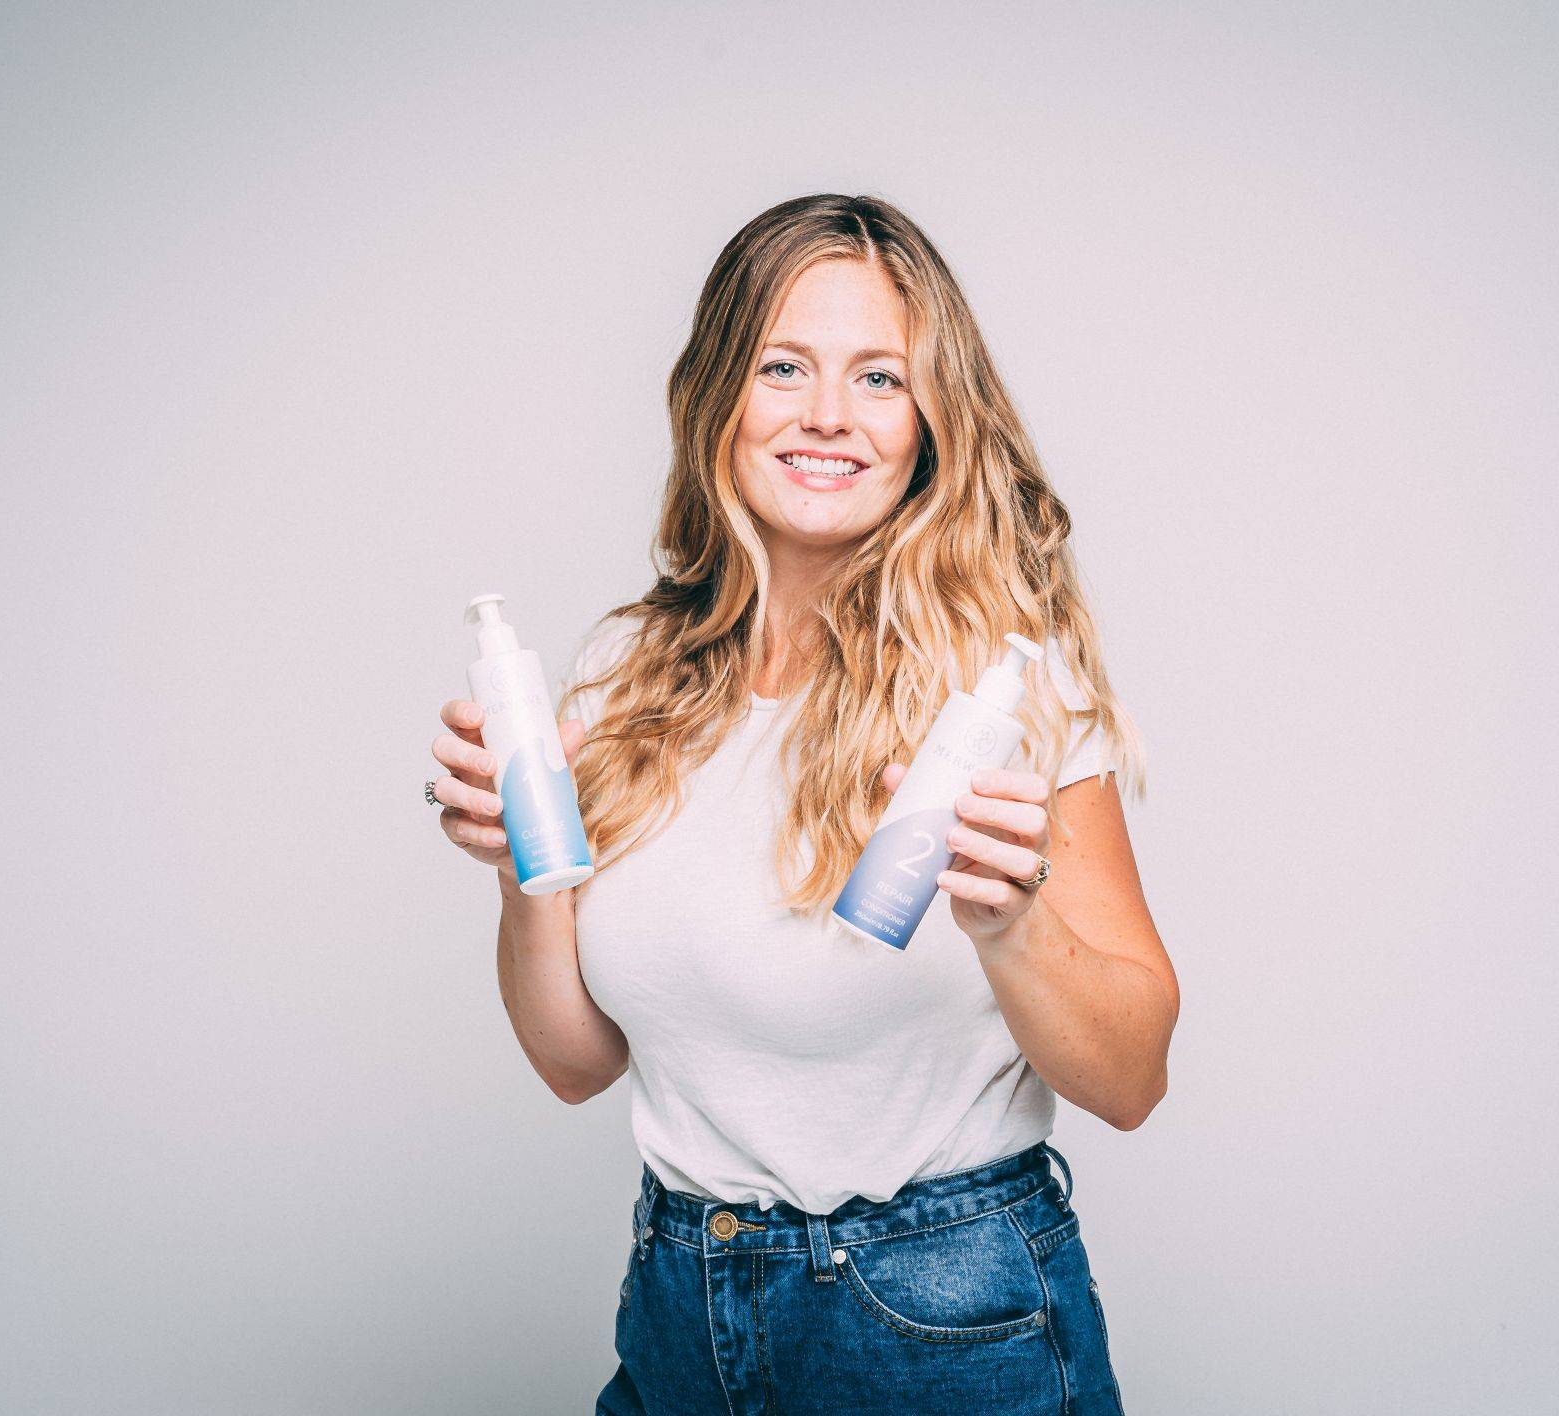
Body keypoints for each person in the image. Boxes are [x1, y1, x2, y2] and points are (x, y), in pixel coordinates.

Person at [429, 193, 1176, 1414]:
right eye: (784, 366)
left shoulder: (999, 692)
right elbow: (576, 1064)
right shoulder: (628, 673)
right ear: (720, 391)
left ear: (930, 422)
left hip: (937, 1318)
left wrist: (1010, 923)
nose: (828, 414)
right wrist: (521, 868)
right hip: (683, 1299)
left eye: (879, 377)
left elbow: (1133, 1077)